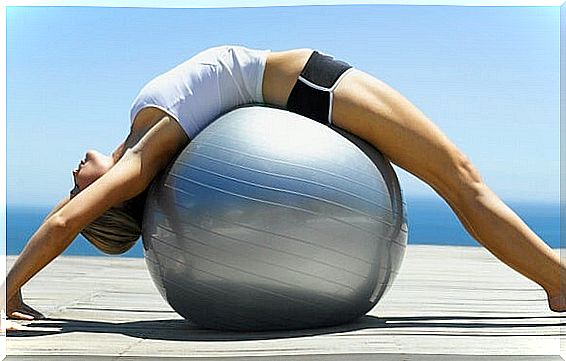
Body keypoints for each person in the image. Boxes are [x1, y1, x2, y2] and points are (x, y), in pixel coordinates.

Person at [5, 45, 565, 322]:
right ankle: (558, 281)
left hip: (305, 94)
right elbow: (65, 222)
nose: (71, 175)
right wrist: (10, 289)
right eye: (77, 185)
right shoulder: (140, 161)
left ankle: (555, 279)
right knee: (461, 179)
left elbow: (73, 213)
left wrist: (23, 276)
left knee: (460, 182)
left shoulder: (136, 144)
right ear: (108, 197)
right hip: (313, 88)